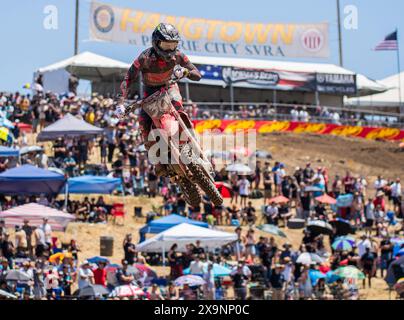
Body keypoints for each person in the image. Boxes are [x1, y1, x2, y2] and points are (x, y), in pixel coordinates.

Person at [119, 23, 202, 177]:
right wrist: (121, 103)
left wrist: (185, 72)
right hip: (149, 93)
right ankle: (158, 161)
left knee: (178, 107)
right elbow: (128, 77)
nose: (170, 49)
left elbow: (197, 73)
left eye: (173, 45)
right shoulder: (144, 58)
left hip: (169, 87)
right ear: (156, 42)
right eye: (166, 45)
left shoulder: (179, 56)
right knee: (144, 124)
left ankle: (191, 138)